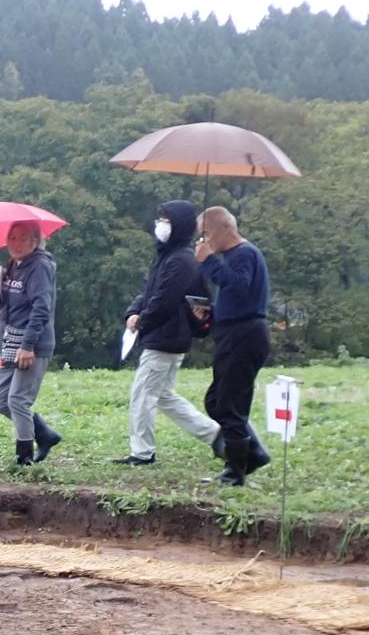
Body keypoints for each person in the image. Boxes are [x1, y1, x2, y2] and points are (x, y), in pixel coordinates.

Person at [115, 199, 222, 466]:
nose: (161, 225)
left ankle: (142, 452)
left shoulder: (182, 260)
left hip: (166, 337)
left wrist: (142, 322)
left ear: (180, 226)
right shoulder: (166, 255)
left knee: (143, 395)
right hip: (165, 335)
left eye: (167, 220)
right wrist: (133, 312)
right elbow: (147, 290)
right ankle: (216, 436)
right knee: (162, 396)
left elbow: (164, 300)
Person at [196, 206, 274, 486]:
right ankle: (252, 452)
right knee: (216, 401)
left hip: (246, 335)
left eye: (207, 234)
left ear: (226, 228)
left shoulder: (245, 254)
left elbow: (240, 286)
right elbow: (236, 297)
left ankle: (236, 469)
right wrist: (212, 312)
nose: (204, 241)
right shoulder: (231, 256)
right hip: (230, 333)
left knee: (231, 403)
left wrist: (209, 263)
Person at [0, 219, 62, 467]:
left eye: (24, 238)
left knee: (17, 399)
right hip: (8, 344)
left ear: (36, 241)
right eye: (12, 238)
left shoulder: (39, 267)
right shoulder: (11, 266)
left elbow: (41, 309)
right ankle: (43, 433)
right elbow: (11, 305)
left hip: (31, 345)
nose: (16, 244)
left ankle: (24, 457)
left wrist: (28, 346)